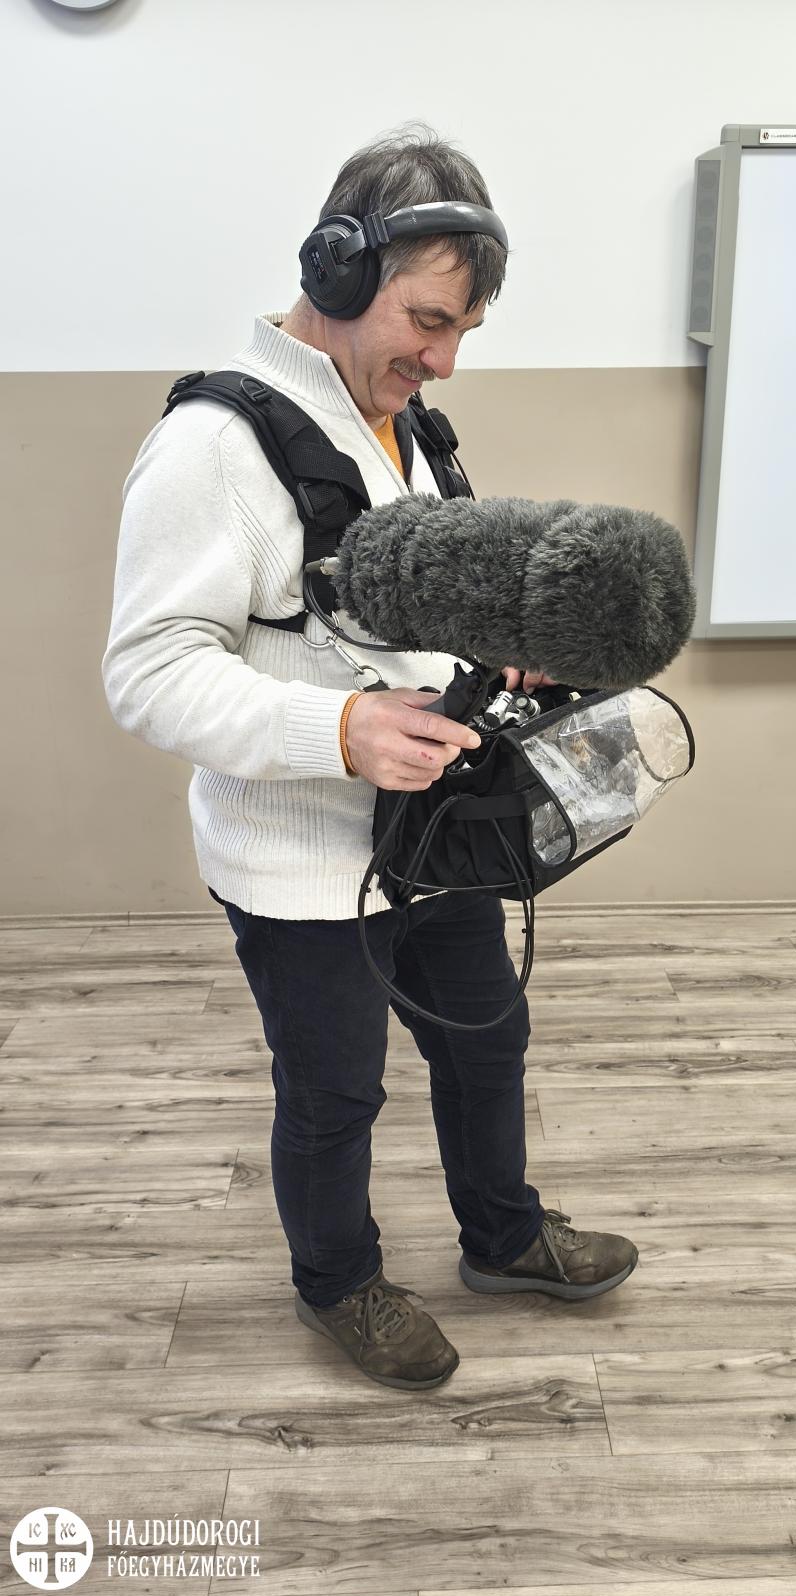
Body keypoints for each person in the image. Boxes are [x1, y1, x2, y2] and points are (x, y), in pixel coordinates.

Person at [101, 123, 637, 1394]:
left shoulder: (407, 429)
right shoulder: (212, 448)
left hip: (435, 833)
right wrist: (335, 732)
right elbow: (147, 671)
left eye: (463, 333)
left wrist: (501, 645)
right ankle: (337, 1279)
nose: (443, 360)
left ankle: (503, 1238)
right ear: (337, 270)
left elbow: (407, 615)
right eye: (427, 320)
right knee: (336, 1093)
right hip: (301, 866)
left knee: (487, 1040)